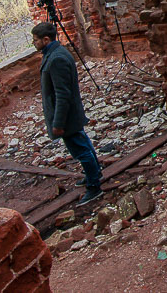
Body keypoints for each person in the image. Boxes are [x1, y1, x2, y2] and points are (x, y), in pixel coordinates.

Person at [32, 22, 102, 205]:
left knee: (81, 150)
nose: (34, 43)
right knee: (83, 142)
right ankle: (93, 174)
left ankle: (94, 186)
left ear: (46, 39)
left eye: (35, 40)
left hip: (67, 115)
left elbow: (63, 94)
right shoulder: (56, 54)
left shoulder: (56, 59)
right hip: (69, 113)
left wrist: (58, 123)